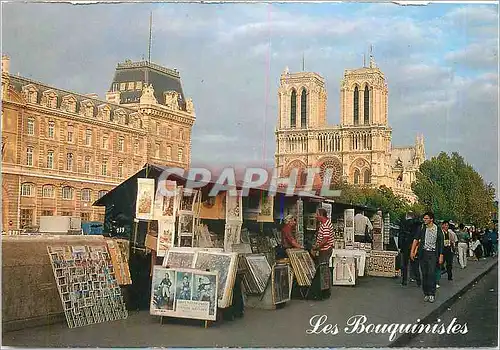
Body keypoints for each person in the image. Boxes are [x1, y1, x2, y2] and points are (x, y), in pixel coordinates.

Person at [410, 212, 444, 303]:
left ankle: (432, 293)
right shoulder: (421, 228)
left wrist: (441, 255)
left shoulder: (437, 229)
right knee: (424, 274)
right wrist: (412, 251)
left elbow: (441, 243)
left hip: (433, 254)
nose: (424, 220)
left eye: (426, 218)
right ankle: (426, 293)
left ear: (431, 219)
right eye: (424, 218)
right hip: (423, 253)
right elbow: (416, 240)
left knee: (431, 273)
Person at [398, 212, 421, 286]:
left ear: (407, 216)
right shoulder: (417, 224)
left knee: (405, 264)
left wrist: (400, 246)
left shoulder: (403, 223)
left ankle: (404, 281)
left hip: (405, 245)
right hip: (413, 245)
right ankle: (418, 280)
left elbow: (400, 234)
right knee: (414, 264)